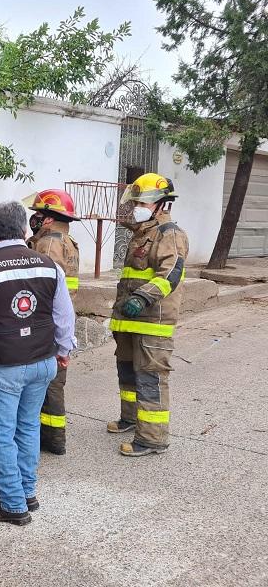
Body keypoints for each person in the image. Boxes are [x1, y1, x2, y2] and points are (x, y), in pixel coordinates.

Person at [0, 202, 76, 526]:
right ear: (23, 232)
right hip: (43, 361)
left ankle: (12, 505)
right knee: (29, 425)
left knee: (0, 434)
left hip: (5, 365)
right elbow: (64, 316)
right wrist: (64, 349)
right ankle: (27, 493)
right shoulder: (50, 266)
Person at [108, 173, 188, 457]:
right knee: (127, 373)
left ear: (161, 205)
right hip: (130, 322)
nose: (138, 206)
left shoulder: (170, 234)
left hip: (152, 323)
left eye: (143, 201)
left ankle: (153, 438)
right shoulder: (143, 233)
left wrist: (143, 297)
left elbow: (172, 273)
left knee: (150, 378)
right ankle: (130, 418)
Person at [26, 189, 80, 455]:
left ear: (48, 218)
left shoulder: (48, 244)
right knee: (55, 382)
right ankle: (54, 438)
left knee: (47, 384)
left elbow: (42, 287)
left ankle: (51, 439)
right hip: (61, 320)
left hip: (47, 322)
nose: (33, 218)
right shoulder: (68, 241)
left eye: (37, 214)